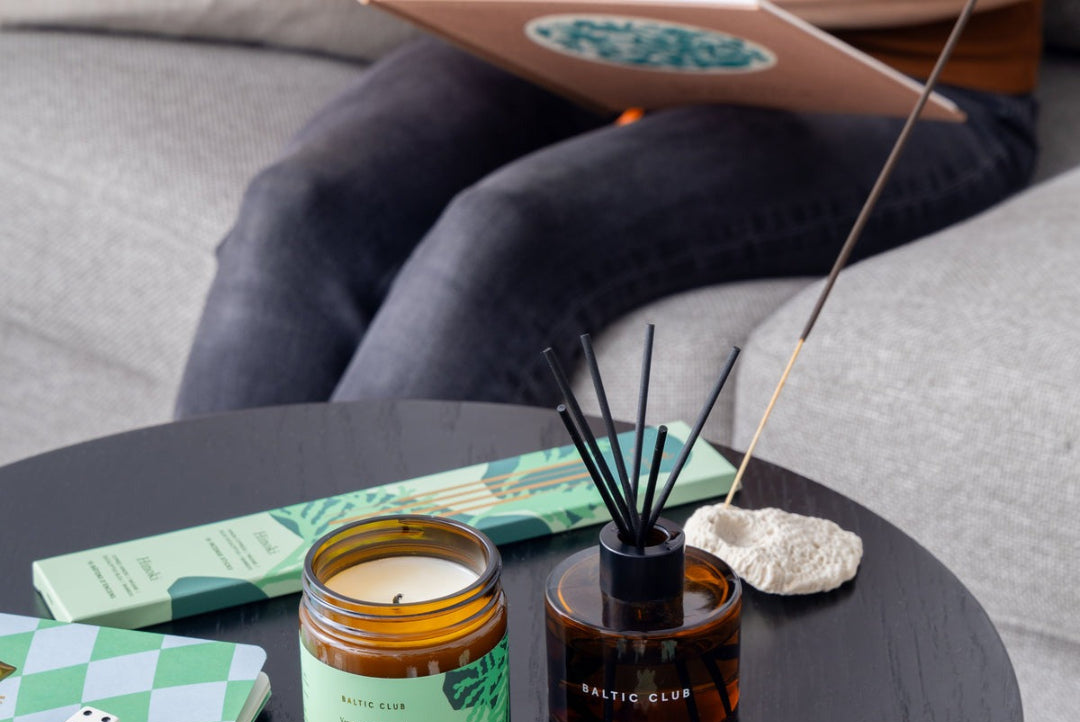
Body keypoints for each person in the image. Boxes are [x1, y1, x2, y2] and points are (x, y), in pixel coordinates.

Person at [174, 0, 1041, 417]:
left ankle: (346, 672)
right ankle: (161, 666)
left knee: (504, 234)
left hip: (915, 91)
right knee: (301, 209)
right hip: (596, 22)